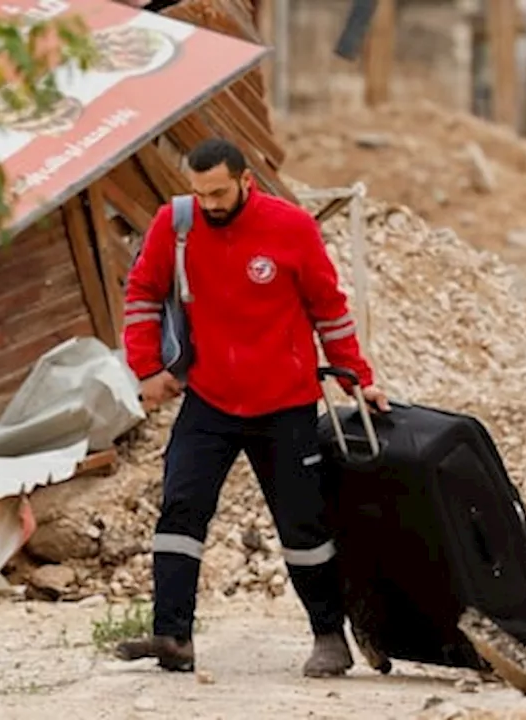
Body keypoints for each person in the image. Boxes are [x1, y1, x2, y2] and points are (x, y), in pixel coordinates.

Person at [116, 138, 389, 678]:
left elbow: (328, 309)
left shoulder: (290, 228)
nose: (209, 204)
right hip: (210, 399)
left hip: (284, 404)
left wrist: (357, 379)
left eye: (218, 192)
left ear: (245, 181)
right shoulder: (178, 222)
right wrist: (146, 368)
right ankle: (173, 635)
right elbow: (143, 292)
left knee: (303, 525)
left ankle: (329, 637)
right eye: (199, 193)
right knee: (180, 511)